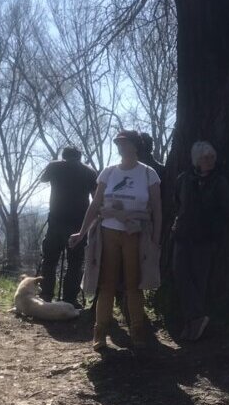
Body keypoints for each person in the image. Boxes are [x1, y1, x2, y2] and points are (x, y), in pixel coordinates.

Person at [71, 130, 162, 351]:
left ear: (135, 146)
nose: (120, 146)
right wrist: (81, 232)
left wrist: (156, 239)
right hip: (108, 232)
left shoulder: (148, 174)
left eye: (124, 142)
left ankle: (138, 331)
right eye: (118, 143)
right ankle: (100, 332)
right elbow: (95, 204)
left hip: (136, 234)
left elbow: (157, 209)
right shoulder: (109, 172)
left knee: (134, 285)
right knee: (106, 285)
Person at [172, 140, 229, 340]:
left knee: (199, 280)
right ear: (196, 160)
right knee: (180, 274)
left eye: (211, 157)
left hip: (206, 239)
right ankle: (197, 317)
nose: (209, 161)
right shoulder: (183, 179)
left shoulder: (220, 181)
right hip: (183, 235)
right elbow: (177, 202)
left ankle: (193, 325)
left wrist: (213, 225)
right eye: (205, 158)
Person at [37, 146, 97, 307]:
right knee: (75, 262)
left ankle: (46, 295)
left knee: (49, 260)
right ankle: (70, 299)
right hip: (79, 223)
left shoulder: (55, 166)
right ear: (80, 156)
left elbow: (43, 179)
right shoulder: (89, 171)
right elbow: (95, 196)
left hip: (56, 220)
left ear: (64, 156)